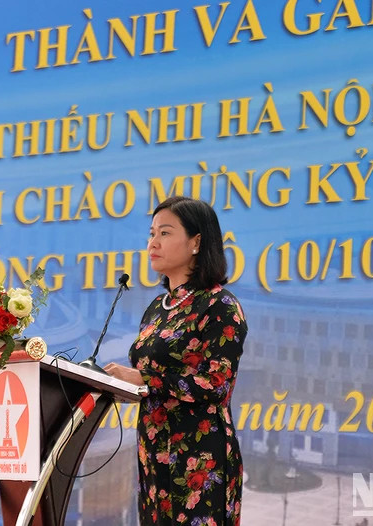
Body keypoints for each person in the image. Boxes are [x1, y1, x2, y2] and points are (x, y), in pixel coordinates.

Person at [105, 196, 248, 525]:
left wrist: (145, 380)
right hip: (153, 453)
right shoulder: (157, 308)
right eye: (151, 233)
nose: (153, 243)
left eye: (165, 233)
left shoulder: (220, 306)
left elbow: (215, 384)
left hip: (199, 459)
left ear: (197, 241)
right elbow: (148, 379)